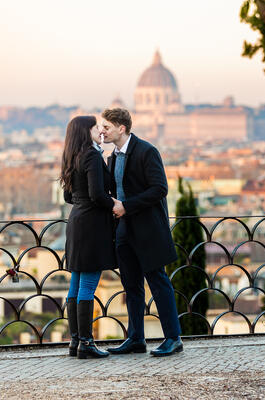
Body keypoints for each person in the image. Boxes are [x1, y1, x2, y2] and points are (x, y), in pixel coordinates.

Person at [100, 108, 183, 357]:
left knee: (158, 282)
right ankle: (136, 338)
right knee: (131, 284)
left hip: (147, 228)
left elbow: (160, 188)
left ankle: (173, 338)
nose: (103, 131)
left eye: (106, 127)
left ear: (121, 128)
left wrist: (127, 206)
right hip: (124, 228)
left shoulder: (147, 151)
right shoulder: (111, 156)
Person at [61, 115, 119, 359]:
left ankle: (76, 341)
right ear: (86, 132)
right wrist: (115, 204)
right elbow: (97, 194)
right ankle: (86, 342)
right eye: (96, 127)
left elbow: (67, 197)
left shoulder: (72, 156)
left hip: (76, 222)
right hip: (92, 225)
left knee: (76, 283)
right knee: (87, 284)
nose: (100, 130)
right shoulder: (92, 155)